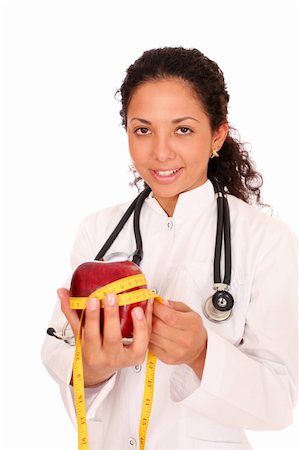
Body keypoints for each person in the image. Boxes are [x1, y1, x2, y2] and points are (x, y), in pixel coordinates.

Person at [41, 47, 298, 450]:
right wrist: (91, 369)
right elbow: (57, 352)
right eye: (143, 130)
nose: (160, 152)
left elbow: (281, 403)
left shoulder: (265, 241)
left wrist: (201, 354)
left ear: (217, 134)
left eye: (183, 129)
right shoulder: (99, 232)